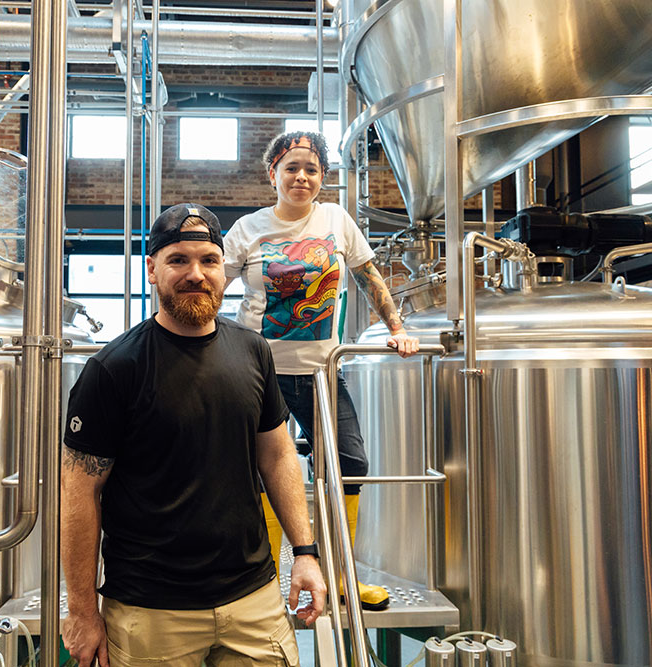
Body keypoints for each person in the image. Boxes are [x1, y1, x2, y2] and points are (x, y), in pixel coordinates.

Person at [61, 203, 326, 667]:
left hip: (254, 602)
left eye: (208, 260)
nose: (196, 274)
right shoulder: (114, 368)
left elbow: (279, 455)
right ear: (152, 269)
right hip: (150, 609)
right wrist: (82, 611)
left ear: (224, 269)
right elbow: (80, 491)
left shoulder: (252, 350)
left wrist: (305, 552)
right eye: (178, 260)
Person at [224, 131, 419, 611]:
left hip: (320, 372)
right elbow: (211, 280)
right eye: (291, 168)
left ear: (322, 178)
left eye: (311, 169)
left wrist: (397, 327)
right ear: (273, 173)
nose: (301, 177)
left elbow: (368, 275)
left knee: (350, 464)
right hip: (257, 373)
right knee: (258, 470)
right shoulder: (248, 228)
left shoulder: (336, 219)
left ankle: (339, 576)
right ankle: (264, 581)